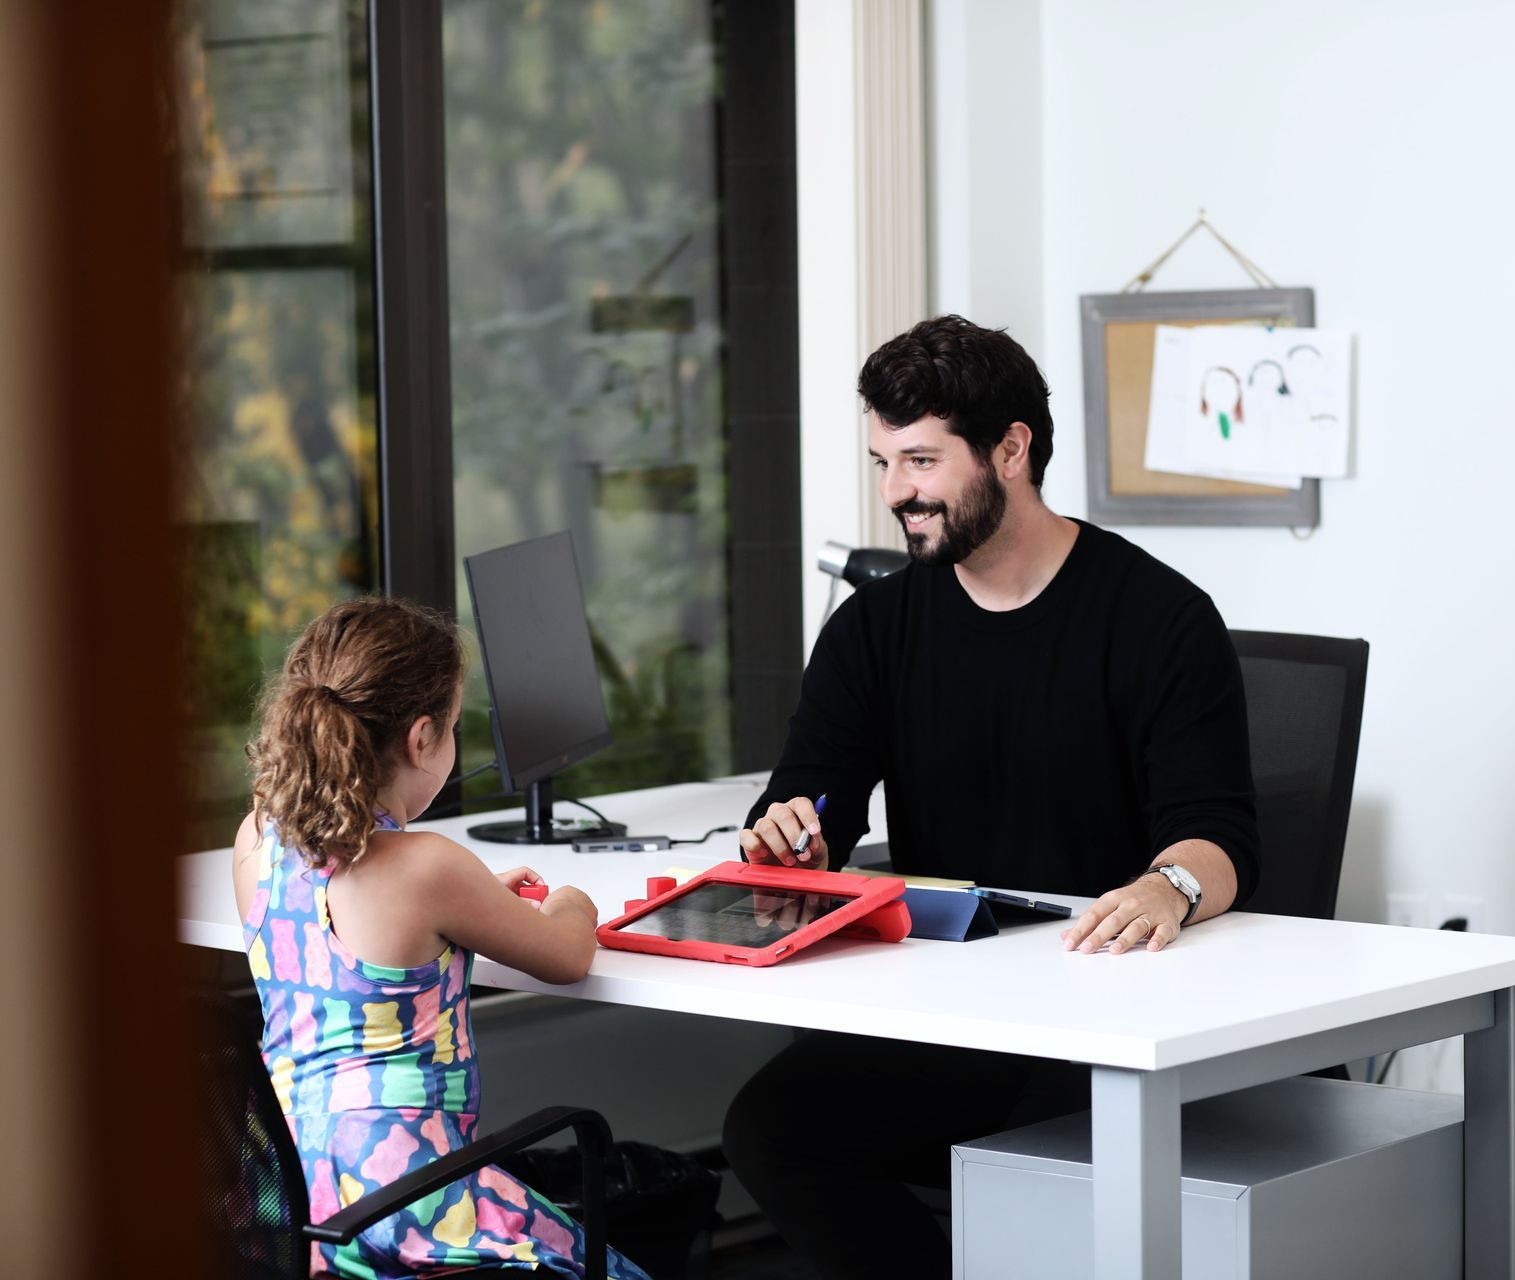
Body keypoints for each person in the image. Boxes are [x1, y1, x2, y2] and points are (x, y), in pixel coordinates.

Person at [722, 315, 1258, 1278]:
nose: (896, 494)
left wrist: (1164, 888)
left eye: (921, 461)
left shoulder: (1159, 619)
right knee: (773, 1128)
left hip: (1109, 1012)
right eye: (885, 463)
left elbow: (1217, 841)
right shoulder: (874, 629)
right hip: (959, 1008)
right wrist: (788, 843)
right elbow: (811, 807)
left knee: (1036, 1164)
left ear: (1010, 450)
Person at [233, 597, 651, 1280]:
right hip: (413, 1207)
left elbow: (367, 921)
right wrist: (572, 900)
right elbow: (570, 956)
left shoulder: (255, 840)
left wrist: (476, 899)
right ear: (422, 738)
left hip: (292, 1205)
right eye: (455, 727)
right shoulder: (429, 867)